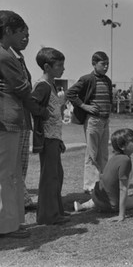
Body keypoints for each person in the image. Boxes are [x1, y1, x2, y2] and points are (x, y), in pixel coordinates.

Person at [0, 11, 47, 239]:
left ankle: (12, 222)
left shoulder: (9, 55)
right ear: (8, 31)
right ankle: (6, 226)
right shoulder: (4, 56)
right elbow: (22, 88)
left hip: (11, 120)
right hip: (7, 121)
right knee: (7, 174)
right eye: (21, 32)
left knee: (12, 173)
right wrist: (39, 109)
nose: (25, 38)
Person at [31, 47, 70, 225]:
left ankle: (56, 211)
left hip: (54, 137)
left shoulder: (52, 85)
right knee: (49, 176)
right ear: (47, 67)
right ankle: (48, 215)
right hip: (46, 138)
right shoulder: (43, 85)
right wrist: (43, 113)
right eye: (59, 65)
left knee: (57, 174)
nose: (63, 69)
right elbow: (31, 103)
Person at [73, 128, 133, 221]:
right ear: (122, 146)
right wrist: (121, 215)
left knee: (113, 195)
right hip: (111, 205)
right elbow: (122, 189)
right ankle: (102, 206)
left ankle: (83, 206)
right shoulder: (125, 160)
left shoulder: (115, 157)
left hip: (97, 197)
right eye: (132, 141)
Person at [66, 51, 113, 193]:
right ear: (94, 64)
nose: (106, 67)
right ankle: (90, 185)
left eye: (107, 64)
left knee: (103, 153)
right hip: (93, 120)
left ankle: (102, 183)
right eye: (103, 64)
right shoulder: (87, 79)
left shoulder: (107, 81)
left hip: (105, 120)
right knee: (92, 153)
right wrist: (84, 106)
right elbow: (70, 93)